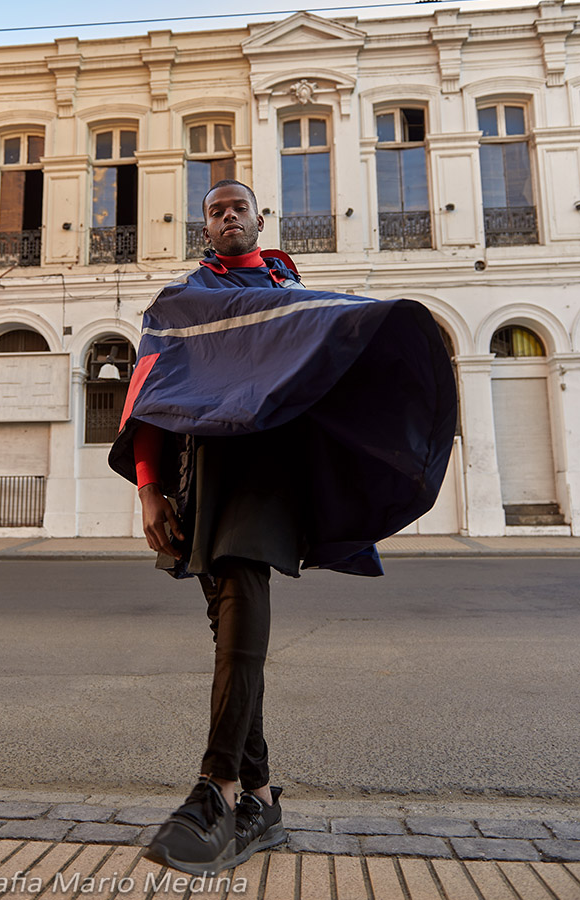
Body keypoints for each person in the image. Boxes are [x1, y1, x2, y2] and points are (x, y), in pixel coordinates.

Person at [109, 180, 456, 876]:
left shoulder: (293, 296)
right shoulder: (183, 302)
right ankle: (262, 800)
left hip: (269, 476)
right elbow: (150, 394)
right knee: (229, 629)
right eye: (216, 210)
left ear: (261, 220)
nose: (228, 216)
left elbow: (330, 359)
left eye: (239, 207)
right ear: (205, 226)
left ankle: (217, 788)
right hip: (204, 473)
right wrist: (150, 492)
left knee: (240, 597)